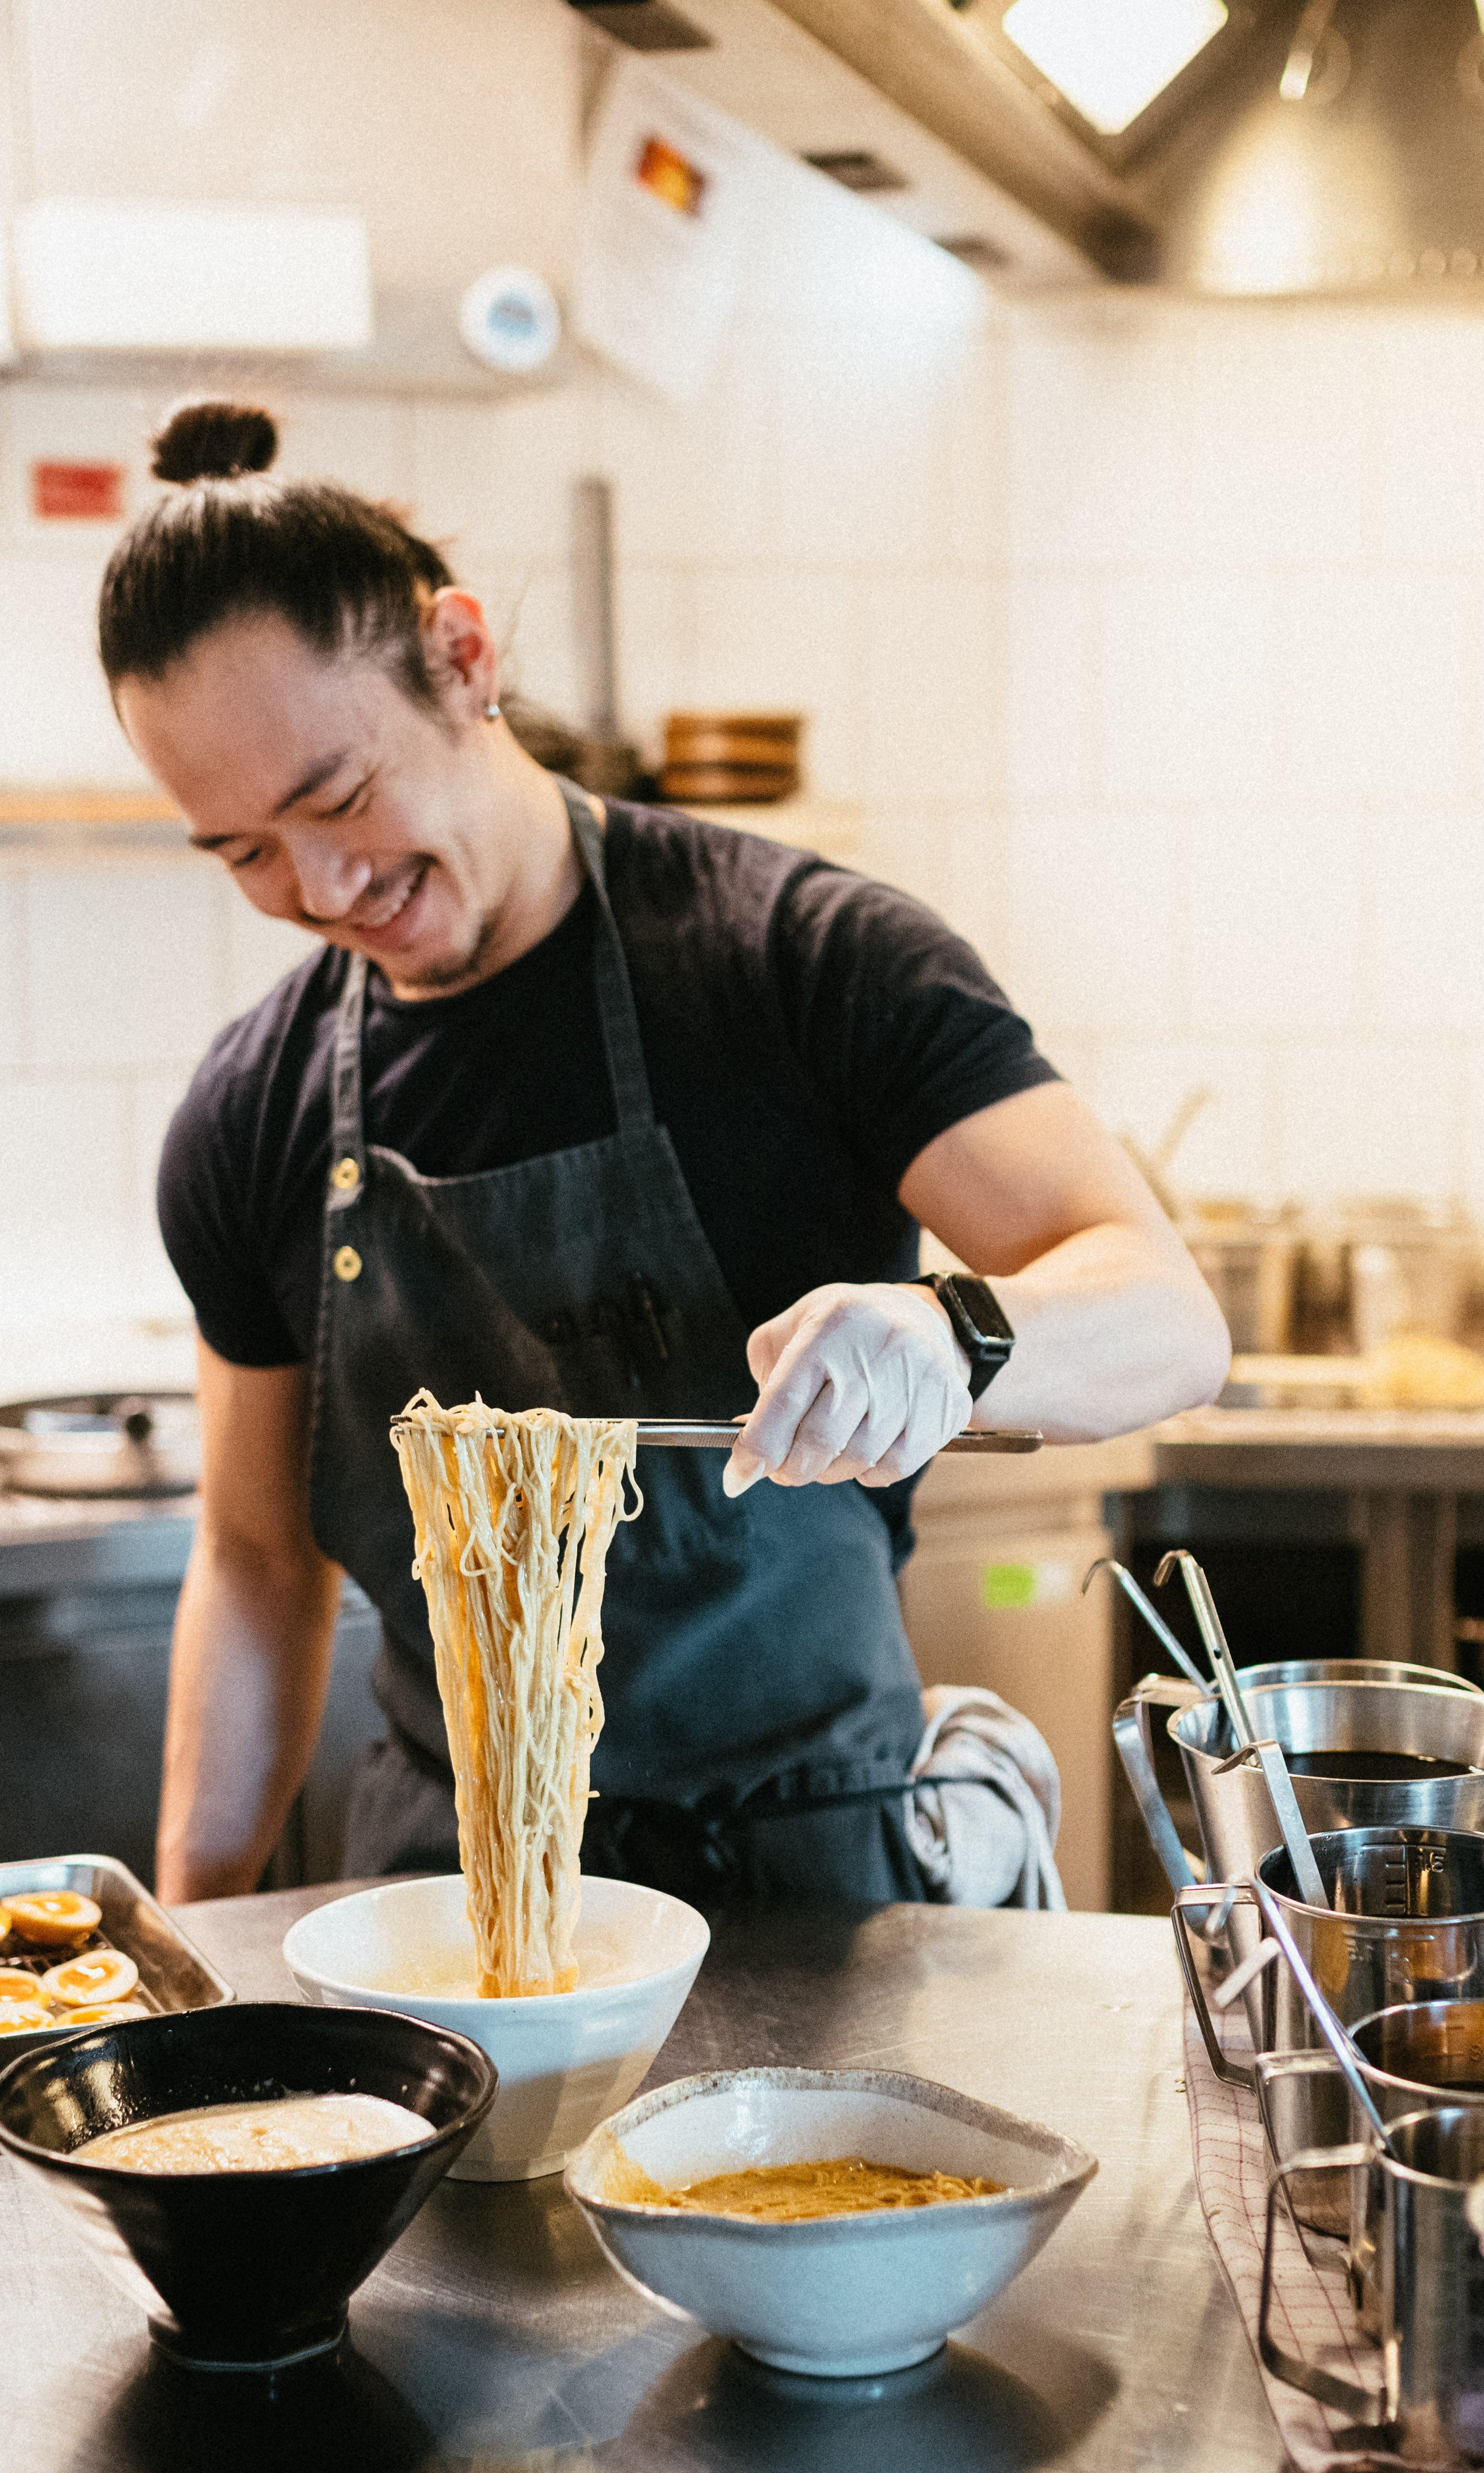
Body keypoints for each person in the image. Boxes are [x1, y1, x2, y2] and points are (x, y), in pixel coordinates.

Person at [114, 397, 1229, 1909]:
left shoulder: (797, 962)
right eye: (242, 850)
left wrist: (948, 1334)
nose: (317, 885)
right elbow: (255, 1563)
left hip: (813, 1889)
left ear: (464, 657)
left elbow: (1165, 1313)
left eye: (338, 797)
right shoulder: (258, 1114)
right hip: (457, 1898)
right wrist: (194, 1934)